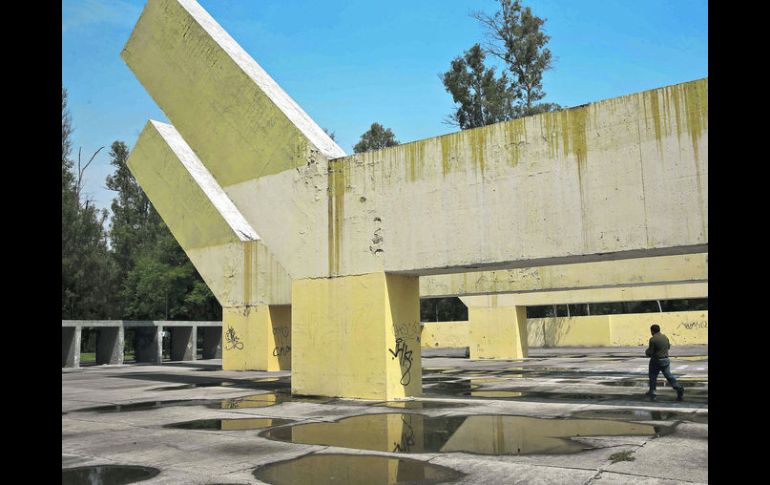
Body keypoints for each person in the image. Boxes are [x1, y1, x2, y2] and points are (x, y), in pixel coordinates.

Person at [645, 324, 684, 401]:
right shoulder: (665, 337)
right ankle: (678, 387)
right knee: (669, 376)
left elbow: (650, 351)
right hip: (665, 360)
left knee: (652, 376)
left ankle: (652, 391)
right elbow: (668, 347)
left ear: (652, 331)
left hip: (656, 360)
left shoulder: (653, 339)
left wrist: (647, 352)